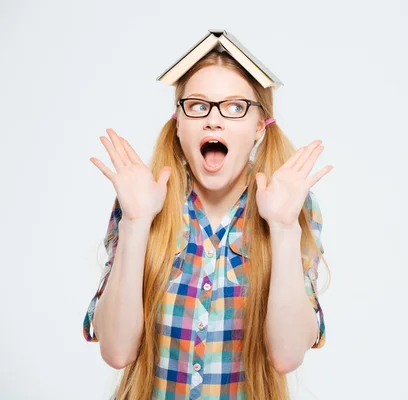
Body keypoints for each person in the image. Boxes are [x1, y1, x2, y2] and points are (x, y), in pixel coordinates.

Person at [82, 47, 332, 400]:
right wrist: (136, 223)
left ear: (260, 126)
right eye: (198, 106)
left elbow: (287, 355)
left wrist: (284, 228)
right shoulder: (142, 202)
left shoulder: (290, 206)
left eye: (235, 107)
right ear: (178, 123)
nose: (213, 120)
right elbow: (117, 352)